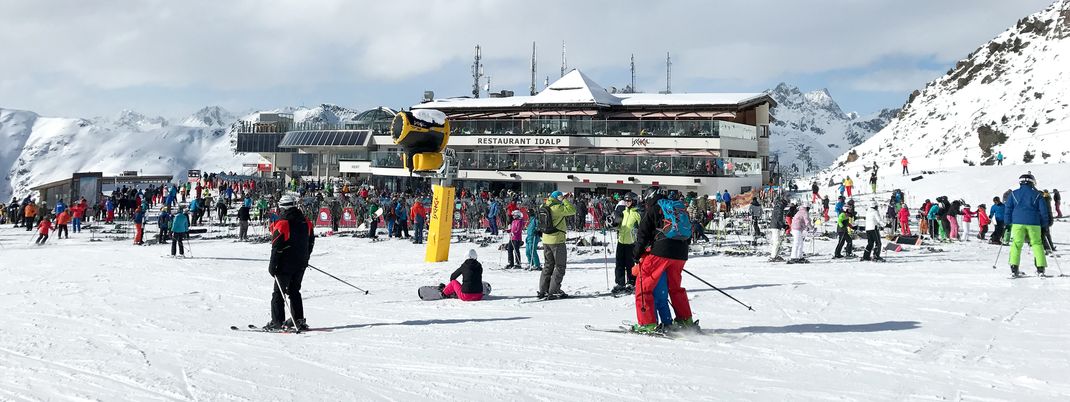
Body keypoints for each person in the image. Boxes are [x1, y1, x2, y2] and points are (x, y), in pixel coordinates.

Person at [631, 188, 696, 334]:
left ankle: (647, 323)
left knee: (643, 285)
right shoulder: (676, 208)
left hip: (662, 251)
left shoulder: (654, 209)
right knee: (675, 287)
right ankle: (685, 319)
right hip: (681, 253)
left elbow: (643, 234)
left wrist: (636, 255)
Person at [265, 194, 316, 330]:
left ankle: (277, 321)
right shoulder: (306, 222)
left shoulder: (282, 223)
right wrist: (305, 257)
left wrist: (272, 266)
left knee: (278, 293)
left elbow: (276, 247)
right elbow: (310, 242)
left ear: (282, 208)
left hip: (285, 265)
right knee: (294, 291)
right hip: (301, 263)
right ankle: (298, 319)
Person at [1004, 172, 1048, 277]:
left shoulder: (1013, 194)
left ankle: (1014, 269)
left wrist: (1007, 223)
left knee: (1016, 244)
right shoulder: (1037, 194)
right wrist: (1044, 224)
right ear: (1032, 182)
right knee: (1037, 244)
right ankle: (1040, 269)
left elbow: (1008, 209)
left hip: (1017, 222)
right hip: (1034, 223)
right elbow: (1043, 211)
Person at [538, 191, 576, 299]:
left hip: (546, 239)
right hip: (557, 240)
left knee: (548, 265)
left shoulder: (543, 205)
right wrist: (564, 200)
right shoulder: (557, 208)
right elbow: (572, 210)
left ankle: (543, 290)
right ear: (557, 197)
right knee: (560, 266)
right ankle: (554, 290)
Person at [613, 192, 641, 293]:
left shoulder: (637, 214)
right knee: (619, 263)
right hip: (621, 241)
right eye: (625, 200)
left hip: (631, 243)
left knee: (630, 264)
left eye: (629, 200)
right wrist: (614, 224)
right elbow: (619, 226)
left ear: (634, 201)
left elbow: (642, 228)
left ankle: (631, 282)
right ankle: (620, 283)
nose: (627, 202)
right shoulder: (623, 213)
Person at [768, 198, 787, 262]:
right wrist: (783, 225)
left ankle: (775, 255)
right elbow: (779, 219)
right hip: (776, 226)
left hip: (774, 225)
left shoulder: (776, 207)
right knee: (777, 242)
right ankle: (773, 257)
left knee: (777, 242)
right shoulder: (779, 209)